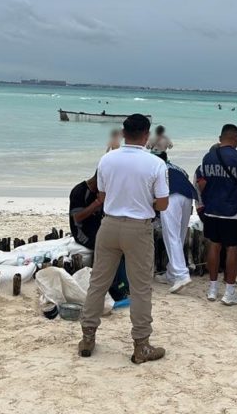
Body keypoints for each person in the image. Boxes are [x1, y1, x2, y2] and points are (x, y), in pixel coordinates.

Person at [78, 114, 168, 364]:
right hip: (138, 228)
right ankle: (141, 344)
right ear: (146, 135)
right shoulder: (155, 164)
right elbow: (163, 203)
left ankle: (88, 337)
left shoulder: (107, 159)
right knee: (140, 289)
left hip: (108, 225)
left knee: (98, 283)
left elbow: (103, 194)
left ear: (124, 133)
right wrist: (144, 200)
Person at [197, 124, 237, 305]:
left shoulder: (207, 157)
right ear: (236, 138)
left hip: (212, 208)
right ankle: (229, 291)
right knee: (232, 249)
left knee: (213, 246)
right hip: (234, 210)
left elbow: (203, 182)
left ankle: (212, 288)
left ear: (220, 137)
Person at [69, 173, 129, 300]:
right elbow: (77, 217)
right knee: (107, 247)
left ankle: (123, 284)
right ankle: (111, 286)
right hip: (82, 232)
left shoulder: (102, 192)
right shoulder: (79, 191)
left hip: (98, 227)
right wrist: (97, 203)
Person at [153, 150, 196, 294]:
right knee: (179, 236)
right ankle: (171, 273)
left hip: (170, 197)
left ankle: (181, 275)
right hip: (187, 196)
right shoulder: (177, 167)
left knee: (171, 236)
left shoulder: (154, 166)